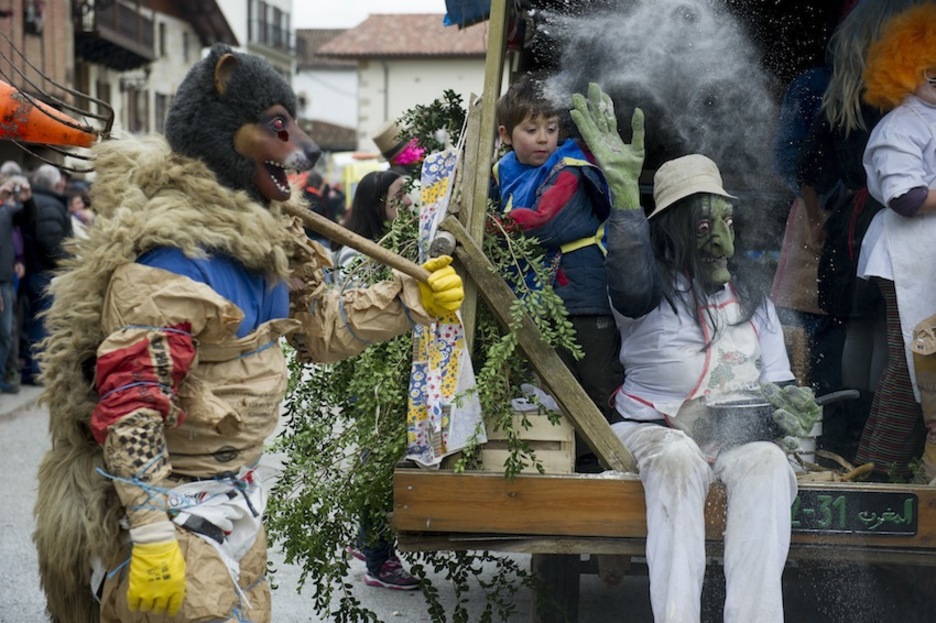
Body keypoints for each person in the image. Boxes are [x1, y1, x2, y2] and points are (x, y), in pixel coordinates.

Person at [32, 44, 464, 623]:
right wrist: (152, 529)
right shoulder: (170, 263)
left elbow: (321, 330)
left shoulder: (269, 247)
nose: (300, 146)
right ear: (220, 127)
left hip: (236, 499)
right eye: (277, 127)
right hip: (174, 512)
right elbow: (133, 408)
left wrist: (410, 299)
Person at [572, 83, 821, 622]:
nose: (719, 239)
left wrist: (789, 406)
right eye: (703, 226)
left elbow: (778, 380)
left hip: (735, 437)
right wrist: (624, 197)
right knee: (677, 458)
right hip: (653, 430)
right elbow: (629, 279)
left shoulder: (752, 297)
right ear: (672, 231)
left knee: (768, 463)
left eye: (726, 223)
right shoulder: (647, 287)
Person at [794, 0, 927, 462]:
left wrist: (816, 218)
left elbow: (808, 169)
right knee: (889, 338)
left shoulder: (842, 100)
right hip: (887, 226)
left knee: (859, 330)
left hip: (850, 227)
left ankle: (851, 439)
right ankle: (875, 442)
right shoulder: (900, 107)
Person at [491, 72, 624, 468]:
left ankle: (609, 464)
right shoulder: (502, 172)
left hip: (584, 297)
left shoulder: (569, 165)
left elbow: (545, 220)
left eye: (551, 128)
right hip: (537, 303)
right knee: (552, 388)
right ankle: (564, 466)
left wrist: (494, 227)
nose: (544, 139)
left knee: (599, 385)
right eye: (531, 130)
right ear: (505, 134)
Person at [857, 2, 936, 482]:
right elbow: (906, 197)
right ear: (904, 70)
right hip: (905, 260)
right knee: (912, 370)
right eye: (931, 72)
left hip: (927, 261)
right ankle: (879, 473)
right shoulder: (902, 124)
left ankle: (894, 467)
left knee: (925, 371)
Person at [331, 168, 418, 590]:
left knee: (377, 457)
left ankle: (368, 542)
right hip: (371, 375)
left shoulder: (389, 244)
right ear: (376, 203)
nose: (408, 202)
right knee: (380, 463)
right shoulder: (357, 254)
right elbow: (365, 314)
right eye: (399, 196)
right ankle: (380, 562)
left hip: (383, 372)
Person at [21, 162, 71, 385]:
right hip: (43, 272)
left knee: (31, 321)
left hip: (30, 270)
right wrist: (65, 262)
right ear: (56, 183)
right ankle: (37, 370)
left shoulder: (36, 200)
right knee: (42, 322)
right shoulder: (50, 204)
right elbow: (49, 240)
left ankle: (29, 367)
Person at [332, 169, 411, 285]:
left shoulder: (400, 242)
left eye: (406, 193)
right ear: (376, 207)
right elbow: (356, 293)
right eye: (399, 196)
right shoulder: (354, 253)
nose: (409, 201)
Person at [0, 175, 29, 393]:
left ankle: (4, 375)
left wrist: (27, 199)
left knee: (7, 333)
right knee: (4, 332)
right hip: (2, 281)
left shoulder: (6, 212)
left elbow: (27, 218)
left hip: (7, 279)